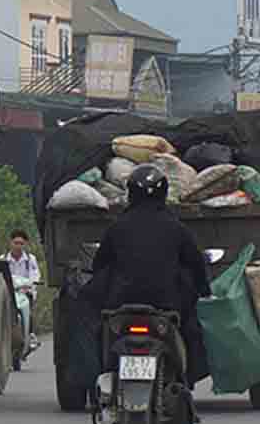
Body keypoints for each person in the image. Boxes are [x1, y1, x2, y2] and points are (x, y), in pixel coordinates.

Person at [87, 165, 212, 390]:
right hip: (166, 305)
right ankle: (185, 383)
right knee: (193, 331)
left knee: (96, 330)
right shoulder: (176, 228)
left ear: (131, 193)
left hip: (120, 305)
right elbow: (196, 264)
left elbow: (99, 265)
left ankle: (101, 381)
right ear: (163, 192)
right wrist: (204, 290)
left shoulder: (117, 227)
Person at [6, 231, 41, 352]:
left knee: (29, 311)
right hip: (10, 293)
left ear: (25, 244)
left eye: (21, 243)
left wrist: (31, 284)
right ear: (10, 243)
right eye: (16, 243)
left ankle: (30, 334)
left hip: (25, 292)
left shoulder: (30, 260)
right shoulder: (3, 259)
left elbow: (35, 274)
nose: (18, 246)